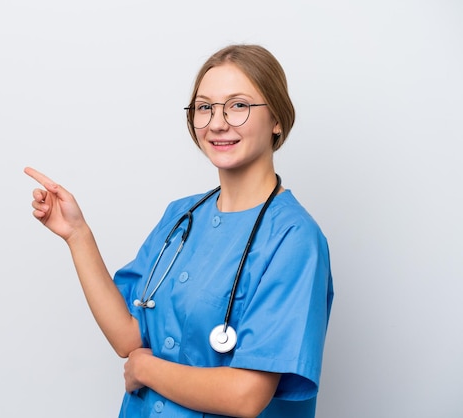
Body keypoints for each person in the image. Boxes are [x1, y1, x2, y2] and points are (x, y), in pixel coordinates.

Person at [25, 44, 334, 418]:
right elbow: (129, 337)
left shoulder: (293, 239)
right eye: (205, 107)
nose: (217, 123)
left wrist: (146, 368)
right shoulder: (183, 215)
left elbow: (246, 396)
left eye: (238, 105)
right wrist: (77, 235)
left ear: (277, 120)